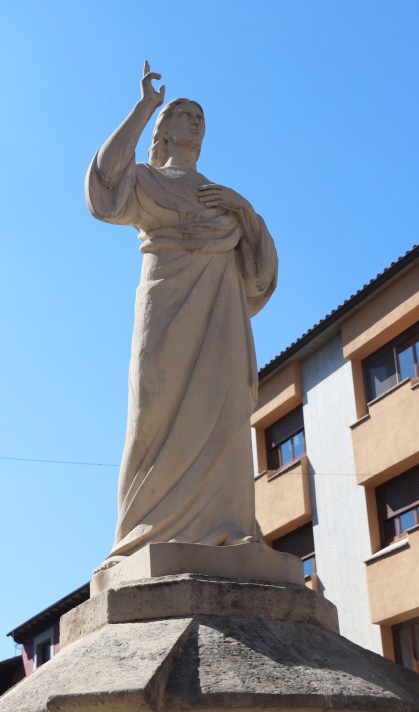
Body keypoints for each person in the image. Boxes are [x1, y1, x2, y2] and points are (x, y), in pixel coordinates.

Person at [86, 62, 278, 564]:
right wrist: (142, 107)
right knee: (153, 412)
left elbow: (260, 274)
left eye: (201, 117)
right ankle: (139, 536)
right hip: (165, 307)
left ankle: (228, 526)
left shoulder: (223, 199)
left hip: (221, 318)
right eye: (184, 114)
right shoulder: (146, 179)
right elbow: (105, 189)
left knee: (224, 411)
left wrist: (245, 211)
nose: (196, 122)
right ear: (164, 130)